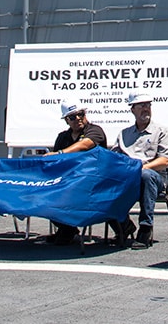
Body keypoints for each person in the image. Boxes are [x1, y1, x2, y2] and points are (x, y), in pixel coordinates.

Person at [110, 92, 168, 249]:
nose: (146, 109)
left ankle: (145, 229)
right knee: (104, 182)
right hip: (128, 178)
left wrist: (141, 168)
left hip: (153, 178)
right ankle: (123, 226)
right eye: (141, 106)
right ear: (132, 109)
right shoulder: (124, 134)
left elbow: (165, 160)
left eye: (148, 105)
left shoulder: (162, 131)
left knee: (145, 175)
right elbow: (114, 159)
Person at [43, 99, 107, 245]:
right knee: (46, 194)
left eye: (81, 114)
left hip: (95, 181)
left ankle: (67, 230)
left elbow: (85, 145)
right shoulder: (62, 137)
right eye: (73, 117)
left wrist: (60, 153)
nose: (78, 118)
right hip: (69, 180)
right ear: (66, 120)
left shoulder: (95, 130)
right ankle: (67, 229)